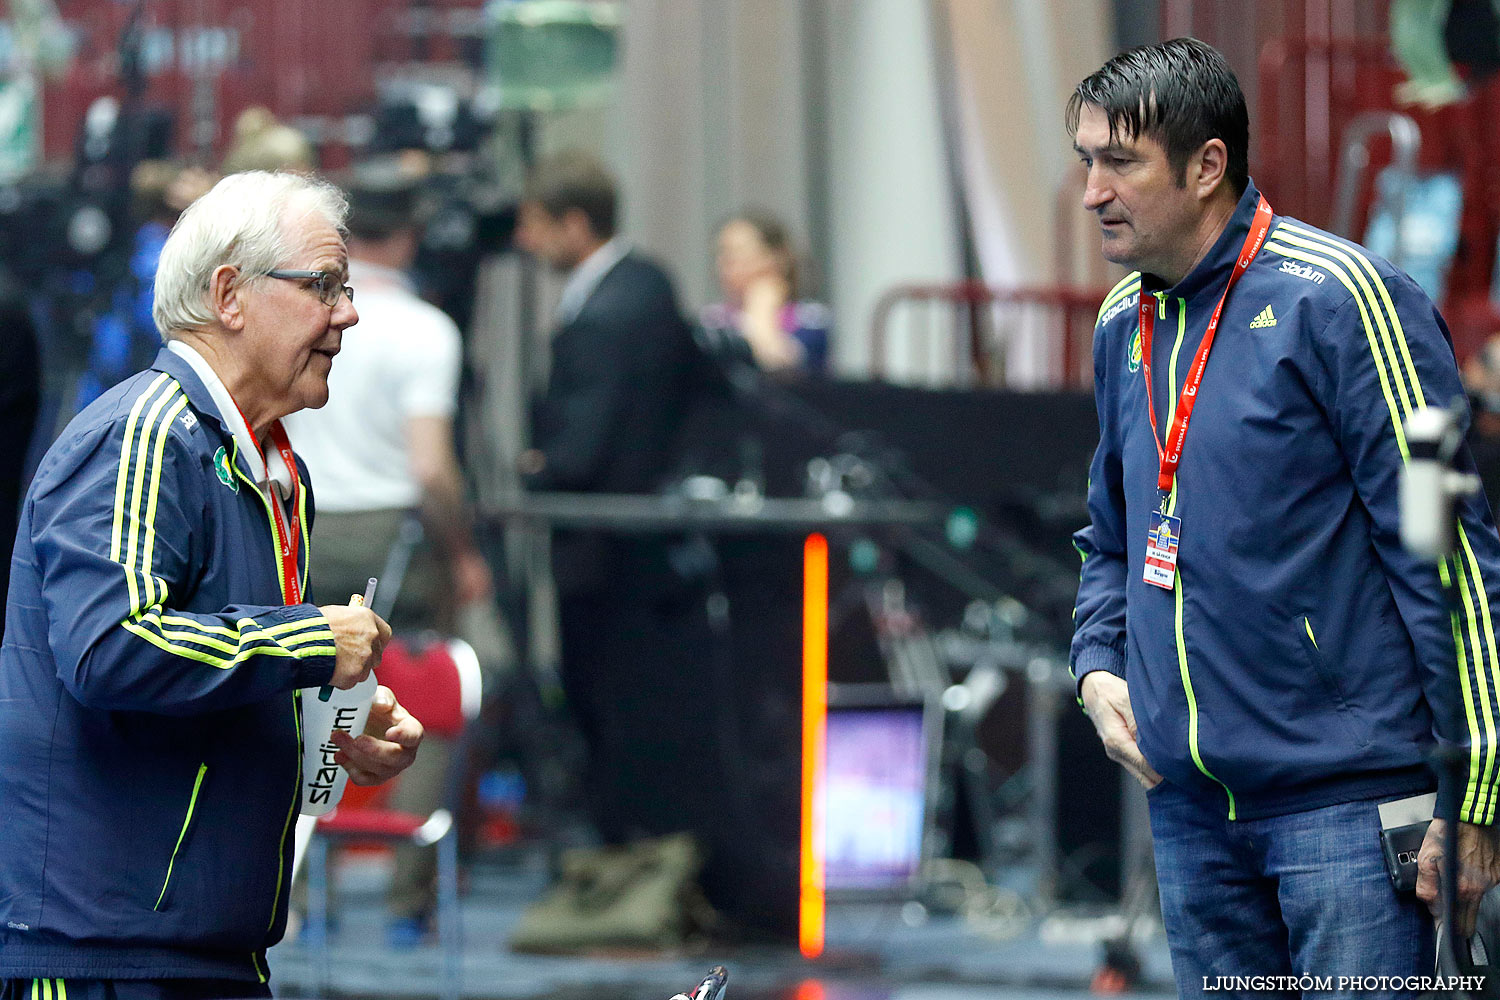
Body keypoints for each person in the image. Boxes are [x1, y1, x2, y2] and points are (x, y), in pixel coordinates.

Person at [1068, 37, 1500, 993]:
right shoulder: (1118, 326)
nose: (1093, 191)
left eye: (1121, 162)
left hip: (1348, 813)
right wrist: (1098, 668)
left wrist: (1474, 796)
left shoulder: (1346, 300)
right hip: (1189, 819)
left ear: (1208, 164)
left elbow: (1448, 554)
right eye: (1086, 161)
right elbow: (1112, 535)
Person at [0, 170, 423, 999]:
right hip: (102, 957)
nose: (350, 312)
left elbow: (197, 680)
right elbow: (109, 648)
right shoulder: (143, 434)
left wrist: (318, 738)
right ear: (230, 295)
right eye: (324, 286)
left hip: (200, 951)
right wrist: (312, 641)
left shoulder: (269, 466)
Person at [282, 159, 492, 947]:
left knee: (310, 705)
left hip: (301, 523)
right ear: (410, 233)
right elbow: (432, 466)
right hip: (389, 533)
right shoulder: (425, 328)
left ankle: (291, 888)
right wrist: (464, 548)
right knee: (423, 699)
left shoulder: (302, 311)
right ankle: (410, 896)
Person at [514, 150, 716, 849]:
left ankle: (620, 854)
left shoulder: (605, 311)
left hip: (605, 550)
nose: (526, 244)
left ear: (574, 224)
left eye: (537, 226)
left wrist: (535, 467)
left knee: (605, 699)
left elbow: (581, 446)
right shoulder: (649, 283)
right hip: (639, 545)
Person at [699, 210, 831, 375]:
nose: (726, 263)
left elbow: (777, 364)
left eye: (738, 252)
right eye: (722, 253)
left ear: (778, 259)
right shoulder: (711, 321)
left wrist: (761, 308)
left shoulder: (809, 319)